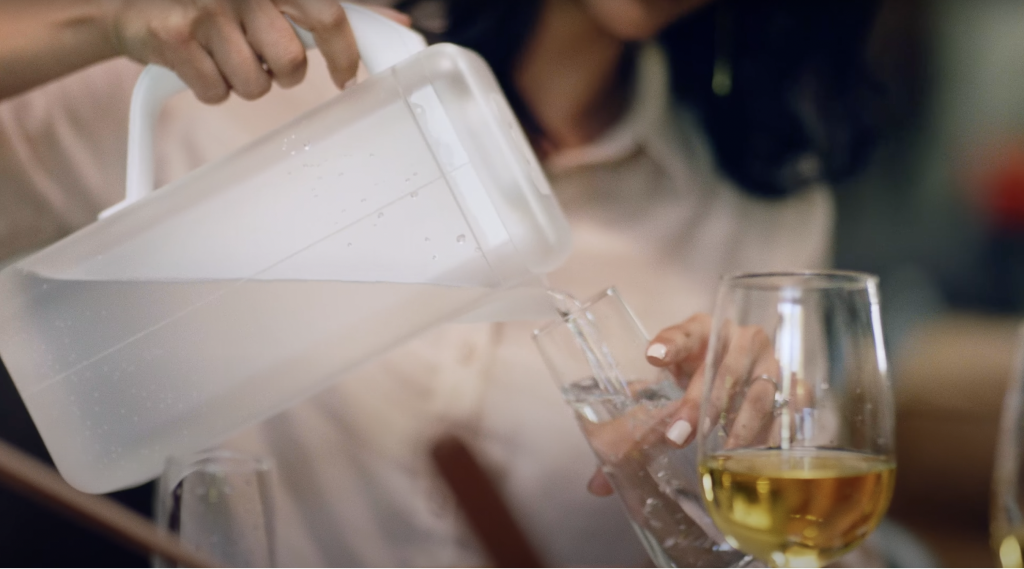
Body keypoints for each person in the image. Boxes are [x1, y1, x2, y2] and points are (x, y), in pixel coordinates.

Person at [0, 0, 939, 567]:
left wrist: (711, 500)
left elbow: (753, 543)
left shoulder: (757, 207)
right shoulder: (259, 75)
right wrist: (110, 22)